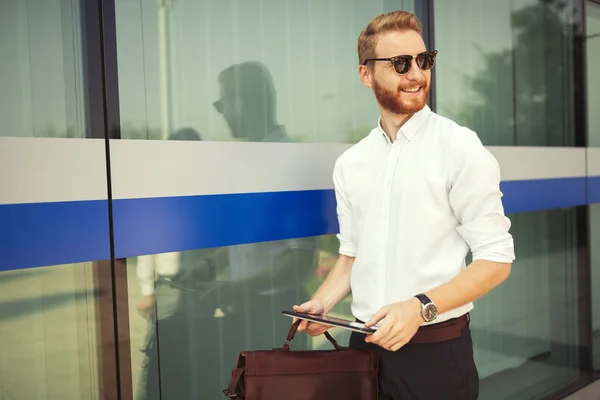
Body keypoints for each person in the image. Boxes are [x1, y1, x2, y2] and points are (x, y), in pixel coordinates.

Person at [293, 10, 515, 400]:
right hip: (363, 350)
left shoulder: (460, 148)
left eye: (423, 60)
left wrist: (420, 308)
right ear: (366, 75)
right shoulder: (351, 163)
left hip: (435, 356)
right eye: (400, 63)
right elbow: (352, 256)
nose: (416, 73)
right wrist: (322, 303)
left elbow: (496, 260)